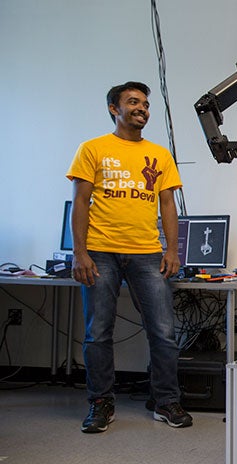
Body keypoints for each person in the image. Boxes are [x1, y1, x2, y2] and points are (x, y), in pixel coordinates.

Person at [68, 81, 192, 433]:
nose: (142, 108)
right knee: (98, 332)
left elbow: (168, 204)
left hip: (147, 253)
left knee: (164, 332)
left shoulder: (159, 154)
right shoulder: (92, 149)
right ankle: (100, 403)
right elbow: (81, 202)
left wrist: (172, 249)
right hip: (100, 250)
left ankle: (166, 401)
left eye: (145, 104)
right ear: (114, 109)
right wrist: (80, 253)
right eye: (133, 102)